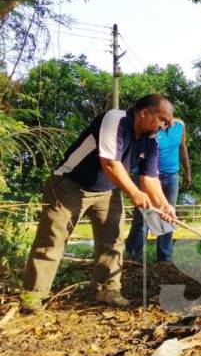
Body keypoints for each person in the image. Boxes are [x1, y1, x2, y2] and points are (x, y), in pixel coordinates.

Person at [21, 94, 177, 310]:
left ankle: (107, 290)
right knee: (53, 238)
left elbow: (149, 178)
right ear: (144, 113)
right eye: (163, 119)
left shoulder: (150, 140)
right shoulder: (116, 120)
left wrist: (163, 206)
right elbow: (110, 164)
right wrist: (135, 194)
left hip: (108, 191)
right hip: (69, 184)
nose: (165, 126)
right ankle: (34, 296)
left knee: (112, 241)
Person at [125, 117, 191, 264]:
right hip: (147, 176)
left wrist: (187, 171)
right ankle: (134, 257)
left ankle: (165, 258)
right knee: (144, 216)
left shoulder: (180, 125)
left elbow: (182, 147)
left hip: (171, 176)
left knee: (168, 215)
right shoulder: (152, 127)